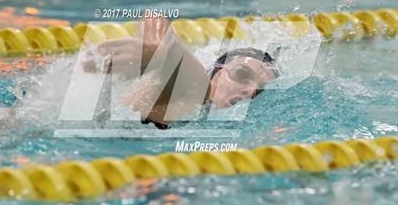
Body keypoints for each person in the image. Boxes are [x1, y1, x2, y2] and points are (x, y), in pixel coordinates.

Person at [82, 17, 278, 129]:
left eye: (258, 91)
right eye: (242, 74)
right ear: (217, 71)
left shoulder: (201, 112)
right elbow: (154, 17)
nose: (250, 90)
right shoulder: (198, 86)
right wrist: (155, 48)